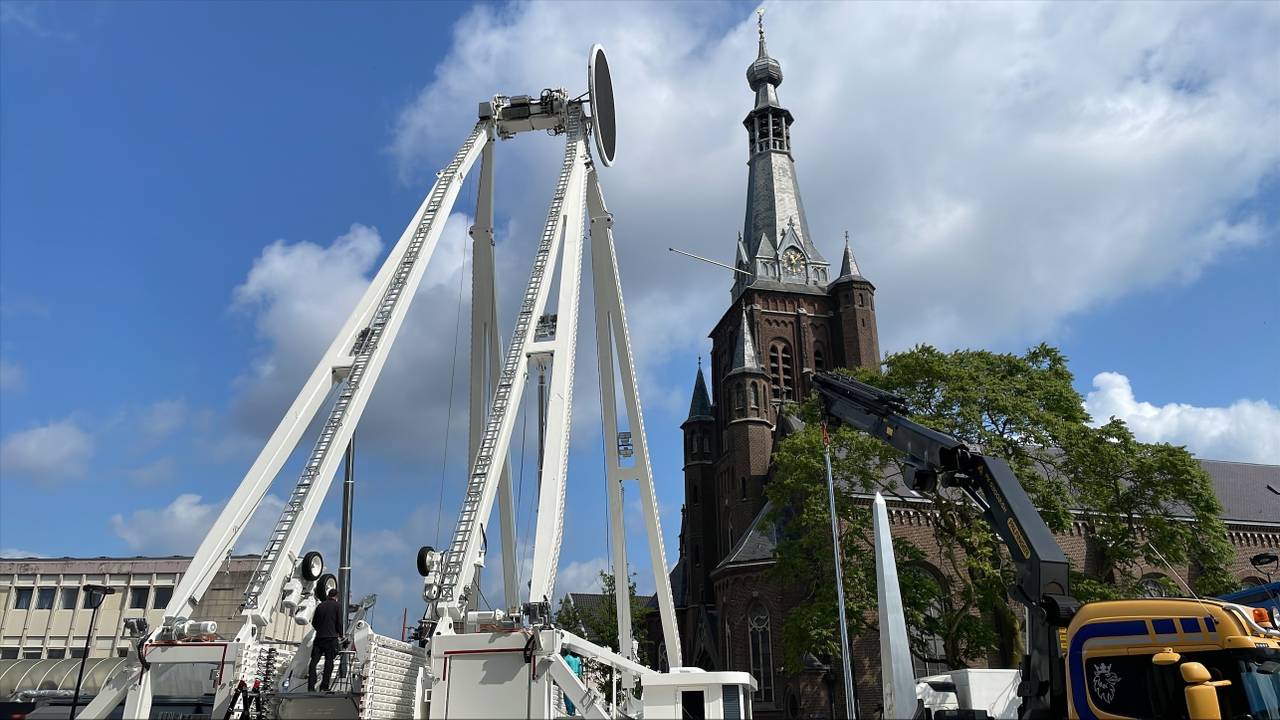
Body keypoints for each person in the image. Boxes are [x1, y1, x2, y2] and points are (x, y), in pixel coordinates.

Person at [308, 587, 344, 692]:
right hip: (331, 638)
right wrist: (341, 634)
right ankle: (324, 686)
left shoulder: (320, 606)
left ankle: (311, 686)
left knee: (313, 662)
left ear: (328, 595)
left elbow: (314, 622)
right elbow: (339, 622)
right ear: (336, 596)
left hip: (319, 637)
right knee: (329, 662)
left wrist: (320, 629)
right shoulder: (337, 606)